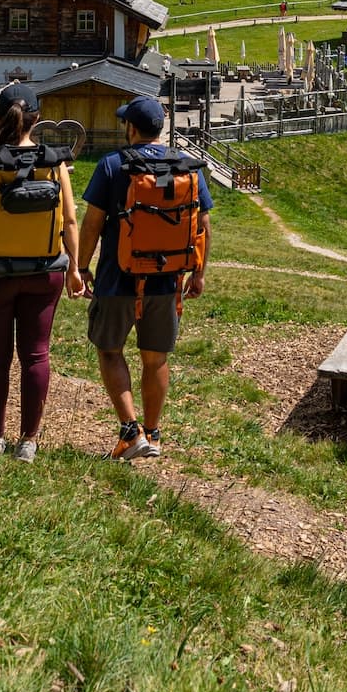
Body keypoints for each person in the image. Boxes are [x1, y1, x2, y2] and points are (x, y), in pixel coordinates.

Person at [0, 83, 82, 461]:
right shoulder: (54, 161)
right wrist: (74, 269)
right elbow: (70, 220)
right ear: (36, 120)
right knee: (36, 355)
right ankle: (29, 441)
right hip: (45, 270)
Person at [78, 95, 212, 460]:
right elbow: (202, 226)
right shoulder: (189, 167)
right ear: (160, 130)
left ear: (131, 129)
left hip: (117, 278)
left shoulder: (111, 166)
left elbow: (92, 224)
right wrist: (198, 273)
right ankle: (152, 434)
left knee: (109, 351)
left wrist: (79, 267)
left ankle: (129, 431)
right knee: (156, 359)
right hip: (168, 281)